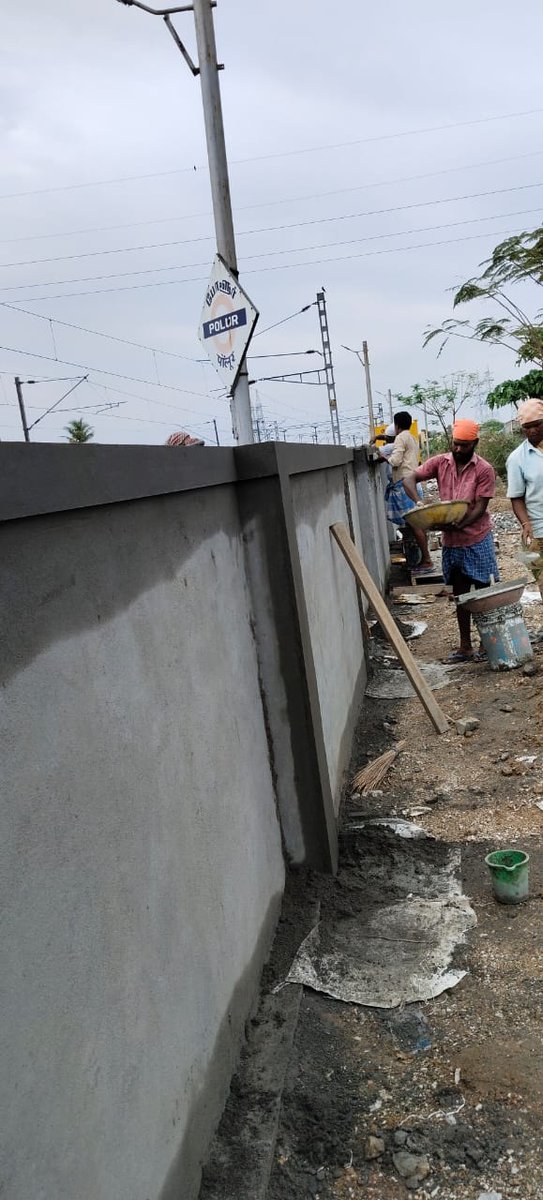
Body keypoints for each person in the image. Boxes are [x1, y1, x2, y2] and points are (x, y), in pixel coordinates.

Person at [403, 418, 498, 662]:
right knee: (460, 593)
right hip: (452, 542)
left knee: (484, 593)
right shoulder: (440, 462)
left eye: (464, 446)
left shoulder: (484, 469)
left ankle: (487, 644)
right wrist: (420, 503)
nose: (458, 449)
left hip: (477, 537)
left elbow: (480, 507)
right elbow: (408, 479)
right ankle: (465, 646)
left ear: (474, 444)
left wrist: (460, 524)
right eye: (456, 444)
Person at [381, 411, 434, 571]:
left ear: (397, 426)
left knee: (414, 524)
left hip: (404, 484)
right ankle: (423, 559)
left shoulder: (400, 438)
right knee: (416, 524)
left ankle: (426, 560)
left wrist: (384, 457)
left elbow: (395, 460)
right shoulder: (411, 437)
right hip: (412, 481)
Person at [506, 398, 543, 598]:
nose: (532, 431)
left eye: (536, 425)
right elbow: (516, 497)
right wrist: (525, 522)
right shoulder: (517, 458)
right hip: (539, 532)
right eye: (527, 428)